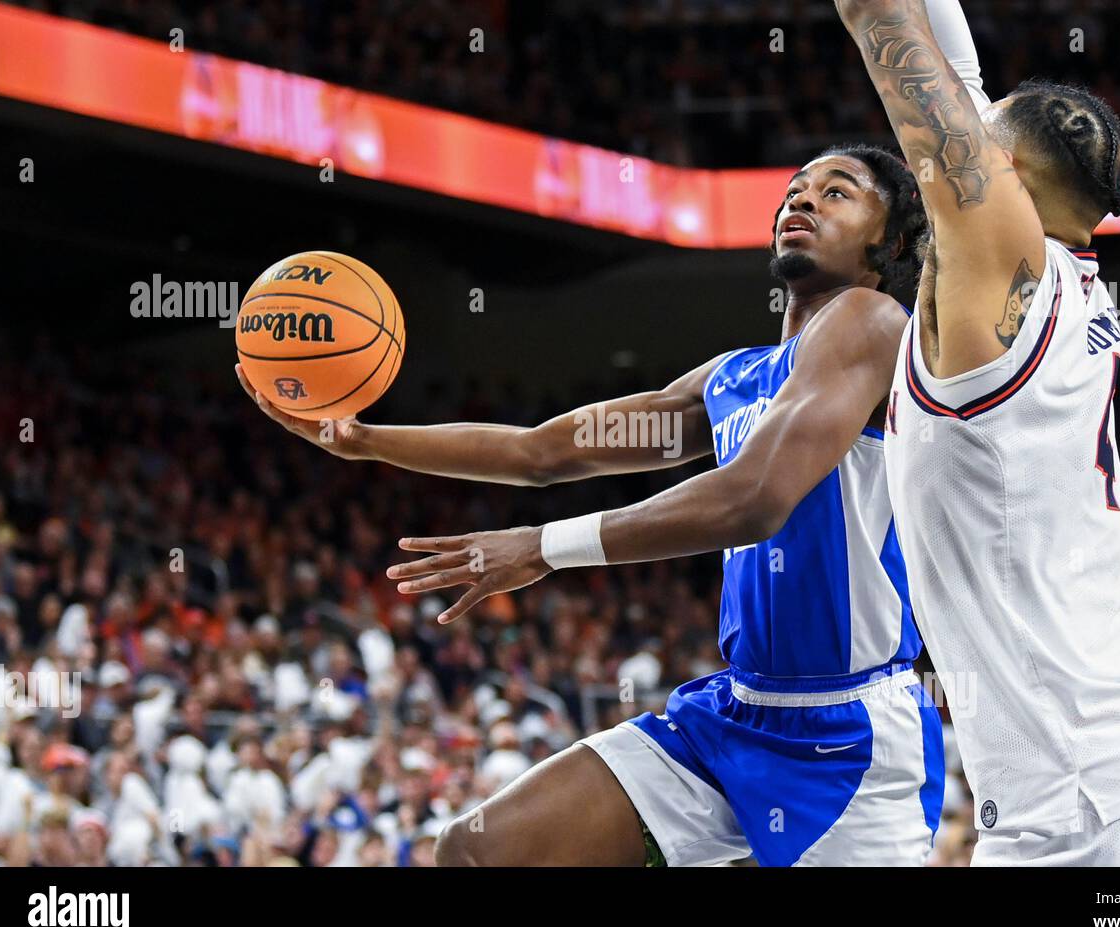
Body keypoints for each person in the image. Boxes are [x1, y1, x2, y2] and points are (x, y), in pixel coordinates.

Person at [242, 145, 942, 866]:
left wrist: (542, 547)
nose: (803, 200)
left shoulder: (873, 322)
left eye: (837, 192)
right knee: (478, 852)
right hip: (731, 716)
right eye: (795, 189)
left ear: (888, 243)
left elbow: (755, 498)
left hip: (848, 736)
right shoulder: (732, 378)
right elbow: (542, 453)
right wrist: (362, 440)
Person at [822, 0, 1120, 864]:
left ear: (1007, 172)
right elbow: (957, 79)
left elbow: (882, 20)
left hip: (1091, 806)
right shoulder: (1066, 284)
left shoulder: (1002, 265)